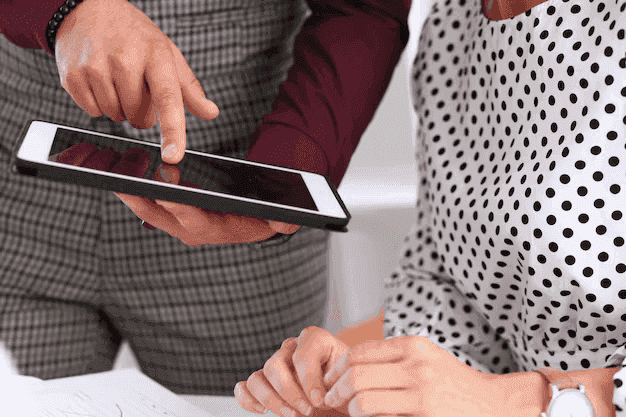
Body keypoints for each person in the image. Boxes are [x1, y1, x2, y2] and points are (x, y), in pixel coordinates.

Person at [234, 0, 626, 415]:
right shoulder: (454, 23)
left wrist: (527, 401)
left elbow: (486, 398)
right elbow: (450, 291)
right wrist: (356, 378)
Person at [0, 0, 409, 395]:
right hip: (21, 206)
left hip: (234, 213)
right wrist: (63, 11)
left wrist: (286, 173)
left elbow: (363, 9)